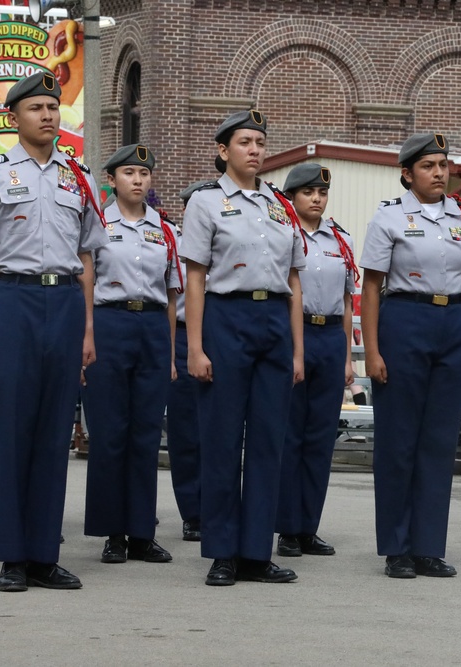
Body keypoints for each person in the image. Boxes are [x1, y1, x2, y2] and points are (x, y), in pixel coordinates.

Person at [0, 71, 108, 591]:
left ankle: (44, 554)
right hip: (15, 300)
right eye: (36, 108)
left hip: (65, 302)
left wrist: (87, 327)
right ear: (15, 117)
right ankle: (13, 558)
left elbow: (87, 255)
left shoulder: (78, 177)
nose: (47, 115)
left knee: (54, 433)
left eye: (53, 107)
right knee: (14, 430)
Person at [179, 109, 305, 587]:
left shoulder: (280, 206)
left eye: (259, 141)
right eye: (244, 141)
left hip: (274, 319)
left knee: (270, 442)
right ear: (223, 150)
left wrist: (296, 351)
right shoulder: (206, 204)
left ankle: (256, 551)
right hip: (226, 317)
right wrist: (195, 347)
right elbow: (194, 277)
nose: (254, 149)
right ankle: (223, 551)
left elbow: (293, 280)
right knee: (223, 440)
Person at [360, 132, 461, 579]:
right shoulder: (390, 218)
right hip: (405, 319)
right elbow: (371, 287)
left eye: (443, 165)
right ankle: (397, 546)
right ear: (407, 174)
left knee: (438, 442)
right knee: (399, 440)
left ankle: (429, 545)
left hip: (451, 323)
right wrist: (371, 350)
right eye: (429, 166)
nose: (439, 173)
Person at [82, 144, 180, 564]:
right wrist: (85, 337)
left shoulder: (166, 230)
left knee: (144, 435)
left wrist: (172, 354)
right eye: (128, 173)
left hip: (153, 326)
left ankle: (141, 532)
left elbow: (173, 295)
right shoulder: (97, 222)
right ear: (113, 179)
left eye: (144, 173)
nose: (137, 180)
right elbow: (85, 283)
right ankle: (113, 534)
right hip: (109, 324)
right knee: (109, 433)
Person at [275, 163, 355, 558]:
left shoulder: (340, 240)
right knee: (291, 435)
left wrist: (346, 356)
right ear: (293, 196)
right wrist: (294, 350)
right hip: (295, 334)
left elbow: (347, 299)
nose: (317, 199)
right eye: (308, 192)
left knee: (321, 439)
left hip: (330, 337)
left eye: (322, 193)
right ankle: (287, 527)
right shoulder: (283, 233)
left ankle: (309, 526)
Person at [165, 179, 215, 543]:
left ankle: (219, 506)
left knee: (220, 427)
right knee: (185, 430)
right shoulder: (172, 242)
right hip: (183, 335)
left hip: (223, 332)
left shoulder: (226, 238)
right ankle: (193, 512)